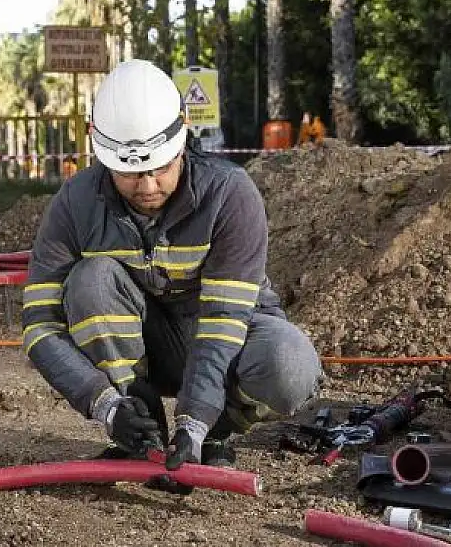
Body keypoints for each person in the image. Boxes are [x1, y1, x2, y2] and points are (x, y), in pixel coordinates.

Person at [21, 59, 324, 473]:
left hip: (227, 341)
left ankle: (218, 430)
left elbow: (223, 319)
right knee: (90, 280)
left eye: (161, 167)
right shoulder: (75, 204)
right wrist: (106, 405)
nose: (147, 187)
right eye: (129, 173)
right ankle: (141, 428)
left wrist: (196, 421)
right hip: (146, 346)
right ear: (102, 152)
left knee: (290, 365)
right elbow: (40, 325)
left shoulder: (228, 194)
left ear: (182, 140)